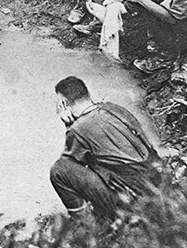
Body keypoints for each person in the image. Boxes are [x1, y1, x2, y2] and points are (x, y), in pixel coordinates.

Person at [49, 76, 160, 220]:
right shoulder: (113, 107)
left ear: (63, 103)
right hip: (157, 183)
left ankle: (84, 222)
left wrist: (69, 125)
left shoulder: (78, 129)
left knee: (59, 170)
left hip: (134, 199)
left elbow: (70, 165)